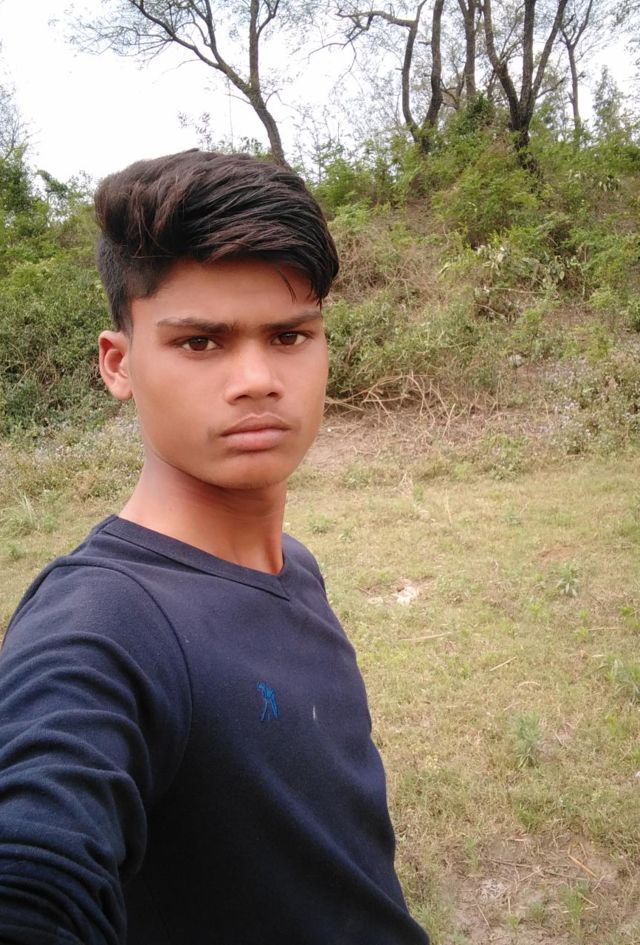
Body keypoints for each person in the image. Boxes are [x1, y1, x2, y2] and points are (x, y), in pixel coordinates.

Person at [0, 150, 429, 945]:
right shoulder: (102, 626)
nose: (257, 378)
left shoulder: (293, 566)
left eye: (289, 334)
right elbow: (36, 869)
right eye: (201, 343)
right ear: (118, 364)